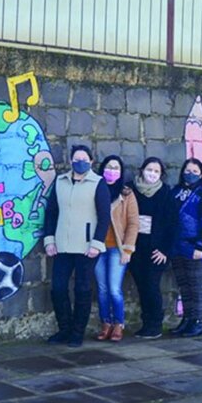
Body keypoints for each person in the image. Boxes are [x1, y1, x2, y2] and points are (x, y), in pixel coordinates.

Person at [43, 145, 110, 348]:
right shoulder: (60, 182)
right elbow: (51, 212)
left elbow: (104, 216)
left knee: (82, 289)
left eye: (84, 158)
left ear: (90, 161)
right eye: (76, 158)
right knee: (58, 288)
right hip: (62, 245)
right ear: (71, 161)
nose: (79, 162)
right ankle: (64, 328)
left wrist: (97, 244)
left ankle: (77, 332)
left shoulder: (98, 183)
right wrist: (49, 240)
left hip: (86, 247)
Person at [128, 157, 178, 339]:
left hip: (156, 249)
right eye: (149, 169)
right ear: (142, 170)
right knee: (141, 287)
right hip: (135, 247)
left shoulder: (166, 193)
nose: (152, 174)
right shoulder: (131, 189)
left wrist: (165, 250)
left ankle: (155, 324)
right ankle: (145, 323)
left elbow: (173, 224)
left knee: (151, 286)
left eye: (156, 171)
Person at [93, 155, 139, 342]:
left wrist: (127, 249)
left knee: (114, 289)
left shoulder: (127, 194)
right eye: (109, 167)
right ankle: (106, 323)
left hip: (117, 249)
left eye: (116, 168)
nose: (112, 171)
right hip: (97, 248)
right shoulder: (95, 189)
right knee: (102, 289)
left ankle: (119, 323)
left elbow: (133, 223)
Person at [169, 158, 202, 338]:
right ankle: (187, 319)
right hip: (177, 246)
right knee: (184, 286)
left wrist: (200, 246)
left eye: (195, 171)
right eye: (188, 170)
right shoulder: (176, 192)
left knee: (195, 286)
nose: (191, 174)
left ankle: (197, 321)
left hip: (194, 246)